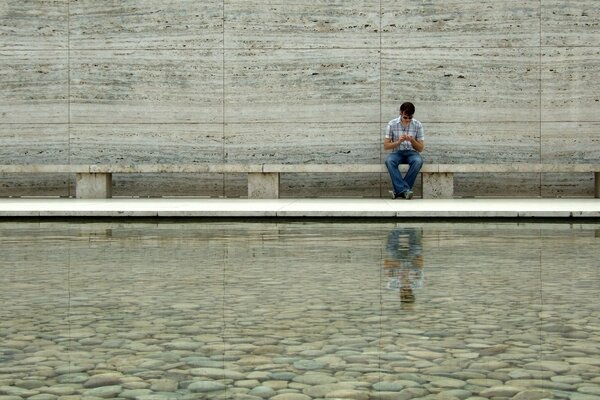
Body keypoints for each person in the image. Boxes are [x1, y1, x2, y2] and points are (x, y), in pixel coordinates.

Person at [383, 102, 425, 199]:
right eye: (405, 117)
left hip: (412, 152)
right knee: (389, 161)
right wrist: (398, 142)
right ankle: (405, 190)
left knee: (418, 161)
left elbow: (421, 148)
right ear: (400, 113)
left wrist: (412, 140)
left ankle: (399, 191)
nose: (407, 120)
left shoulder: (418, 125)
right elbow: (386, 145)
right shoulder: (392, 124)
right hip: (397, 152)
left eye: (410, 118)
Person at [383, 227, 424, 305]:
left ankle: (395, 228)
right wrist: (406, 266)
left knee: (391, 251)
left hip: (396, 257)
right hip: (411, 256)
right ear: (412, 294)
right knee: (416, 250)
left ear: (400, 296)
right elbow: (420, 261)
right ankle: (412, 228)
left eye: (404, 296)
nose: (405, 293)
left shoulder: (392, 285)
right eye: (408, 295)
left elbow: (387, 263)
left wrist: (401, 265)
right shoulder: (417, 284)